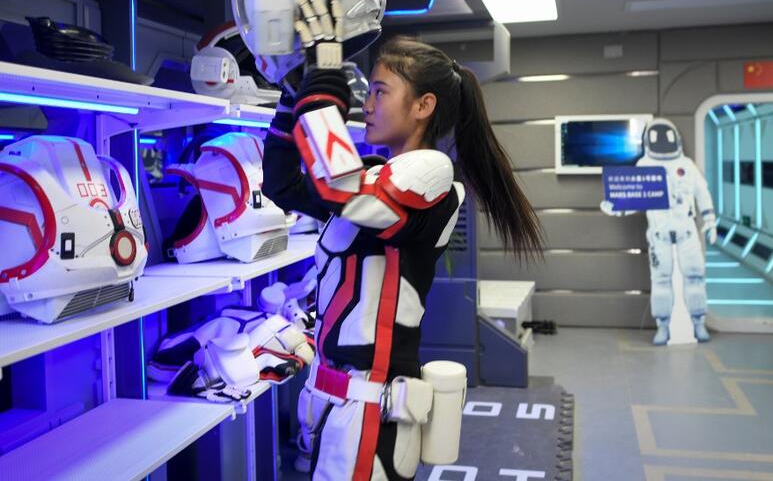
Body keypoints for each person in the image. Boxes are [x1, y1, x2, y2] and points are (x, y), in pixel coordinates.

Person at [261, 32, 544, 479]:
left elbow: (341, 187)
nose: (368, 104)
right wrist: (293, 94)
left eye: (380, 92)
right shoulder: (373, 178)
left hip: (371, 411)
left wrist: (322, 83)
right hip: (333, 402)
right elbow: (283, 186)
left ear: (423, 105)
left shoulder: (433, 173)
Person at [601, 118, 717, 345]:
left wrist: (709, 218)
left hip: (686, 230)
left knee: (695, 276)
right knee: (661, 281)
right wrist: (616, 207)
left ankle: (698, 322)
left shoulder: (686, 165)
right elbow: (636, 196)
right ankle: (663, 325)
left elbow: (701, 192)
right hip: (659, 234)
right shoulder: (645, 165)